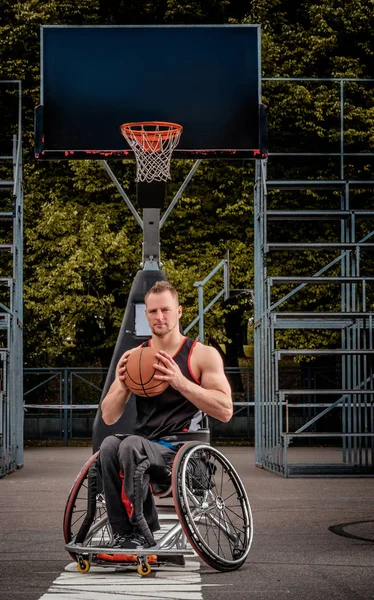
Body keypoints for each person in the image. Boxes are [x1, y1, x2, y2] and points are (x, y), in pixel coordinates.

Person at [100, 280, 233, 549]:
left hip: (185, 452)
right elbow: (108, 416)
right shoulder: (134, 358)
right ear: (146, 315)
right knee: (109, 445)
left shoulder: (202, 355)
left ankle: (143, 532)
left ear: (179, 311)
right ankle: (123, 533)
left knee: (130, 446)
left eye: (166, 310)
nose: (159, 317)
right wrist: (125, 385)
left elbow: (226, 410)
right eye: (153, 311)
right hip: (143, 449)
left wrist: (179, 381)